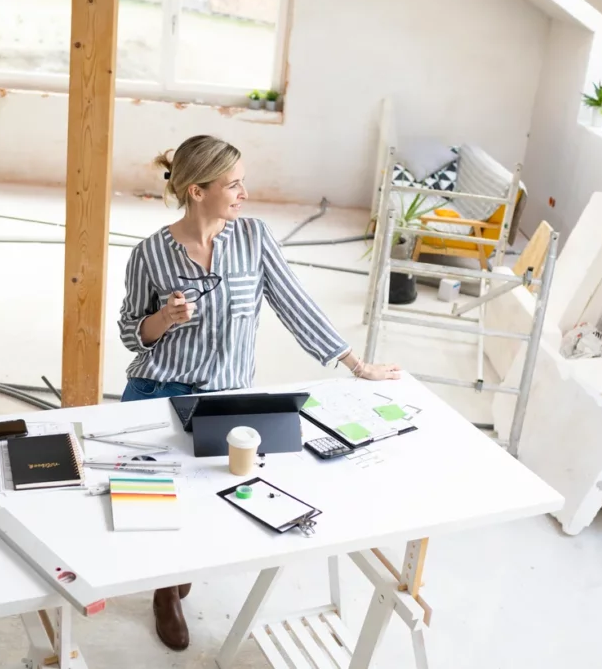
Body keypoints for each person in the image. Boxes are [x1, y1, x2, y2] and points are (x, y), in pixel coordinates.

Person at [116, 134, 401, 651]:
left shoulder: (253, 238)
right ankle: (164, 593)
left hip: (226, 395)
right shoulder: (150, 254)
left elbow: (295, 303)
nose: (243, 192)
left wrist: (356, 365)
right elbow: (130, 332)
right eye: (233, 184)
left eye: (242, 181)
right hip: (158, 390)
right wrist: (163, 317)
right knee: (157, 500)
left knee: (214, 496)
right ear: (198, 191)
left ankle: (177, 570)